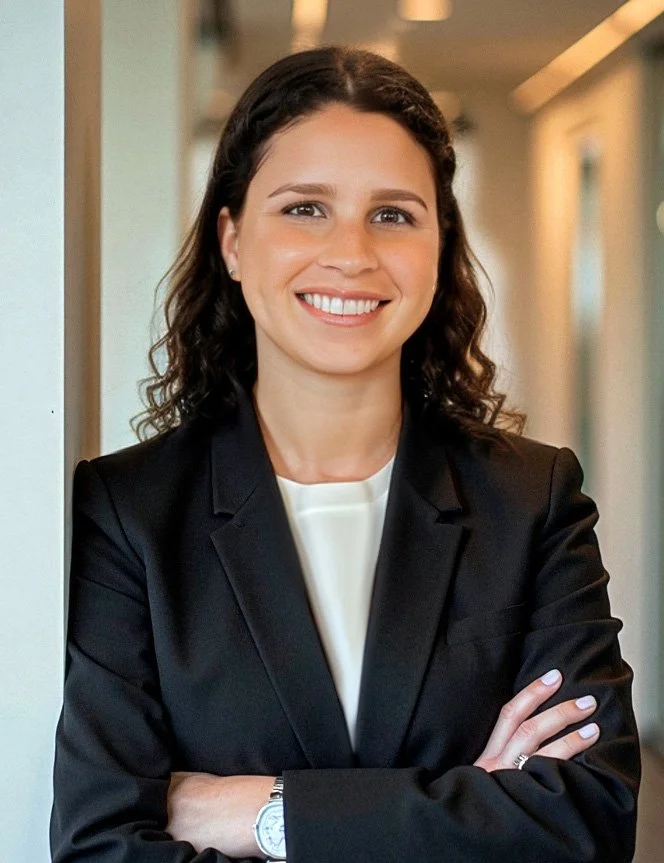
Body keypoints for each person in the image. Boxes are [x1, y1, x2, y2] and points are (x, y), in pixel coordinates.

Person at [50, 46, 640, 862]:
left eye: (393, 214)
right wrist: (470, 806)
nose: (352, 253)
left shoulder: (532, 497)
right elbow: (103, 843)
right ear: (231, 238)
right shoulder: (128, 513)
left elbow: (586, 820)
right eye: (305, 208)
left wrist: (262, 814)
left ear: (439, 247)